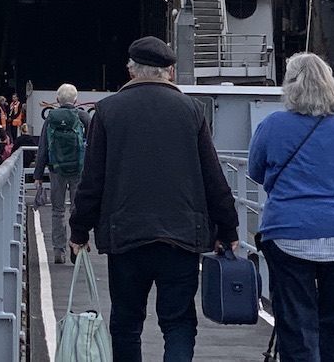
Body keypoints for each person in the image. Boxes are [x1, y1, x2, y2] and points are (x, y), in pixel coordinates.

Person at [69, 36, 239, 362]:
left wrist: (79, 231)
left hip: (126, 236)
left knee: (126, 323)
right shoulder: (192, 111)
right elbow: (213, 179)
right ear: (170, 71)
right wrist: (228, 230)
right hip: (181, 237)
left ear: (131, 70)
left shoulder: (107, 112)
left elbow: (92, 182)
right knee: (178, 322)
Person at [248, 53, 334, 362]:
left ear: (290, 86)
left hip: (288, 232)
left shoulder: (273, 124)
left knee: (296, 324)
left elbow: (255, 171)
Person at [33, 83, 91, 264]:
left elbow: (43, 147)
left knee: (57, 210)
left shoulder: (51, 118)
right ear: (76, 100)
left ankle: (59, 251)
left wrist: (37, 175)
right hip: (78, 170)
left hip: (56, 170)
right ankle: (77, 247)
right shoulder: (83, 117)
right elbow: (93, 146)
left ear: (57, 100)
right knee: (77, 209)